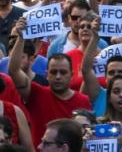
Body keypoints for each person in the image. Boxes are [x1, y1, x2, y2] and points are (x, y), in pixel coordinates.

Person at [8, 18, 92, 147]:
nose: (58, 76)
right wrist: (21, 38)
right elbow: (14, 70)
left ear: (72, 75)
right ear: (47, 75)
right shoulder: (35, 93)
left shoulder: (83, 100)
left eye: (63, 72)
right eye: (53, 72)